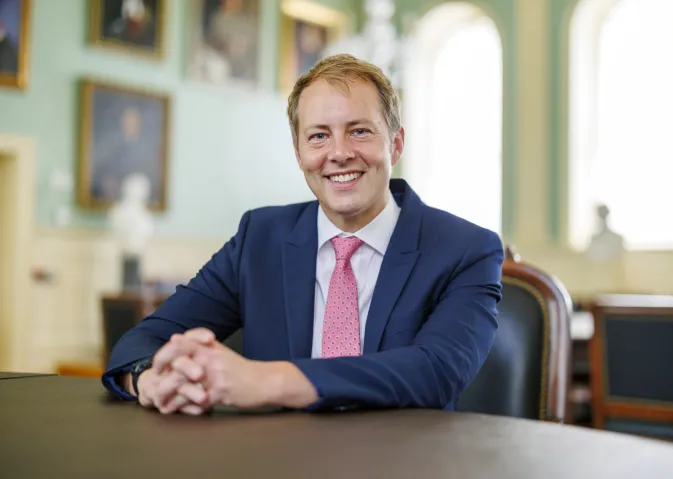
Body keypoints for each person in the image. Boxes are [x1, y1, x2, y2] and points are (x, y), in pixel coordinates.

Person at [102, 53, 504, 415]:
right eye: (318, 136)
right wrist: (147, 380)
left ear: (395, 145)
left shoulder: (466, 250)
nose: (340, 153)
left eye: (360, 131)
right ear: (298, 154)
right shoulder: (258, 238)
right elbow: (146, 338)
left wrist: (265, 381)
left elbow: (437, 372)